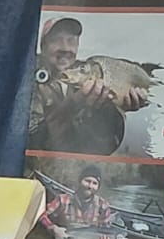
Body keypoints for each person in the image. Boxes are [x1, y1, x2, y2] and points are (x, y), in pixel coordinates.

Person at [27, 16, 146, 156]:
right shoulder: (27, 80)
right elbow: (30, 138)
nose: (66, 48)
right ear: (43, 46)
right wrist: (71, 105)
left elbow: (104, 145)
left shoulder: (89, 73)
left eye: (71, 41)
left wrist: (110, 109)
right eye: (56, 40)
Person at [39, 163, 122, 239]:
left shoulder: (102, 205)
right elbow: (42, 215)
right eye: (87, 181)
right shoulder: (63, 199)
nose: (90, 186)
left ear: (98, 187)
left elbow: (106, 229)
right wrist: (53, 228)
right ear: (80, 181)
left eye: (94, 183)